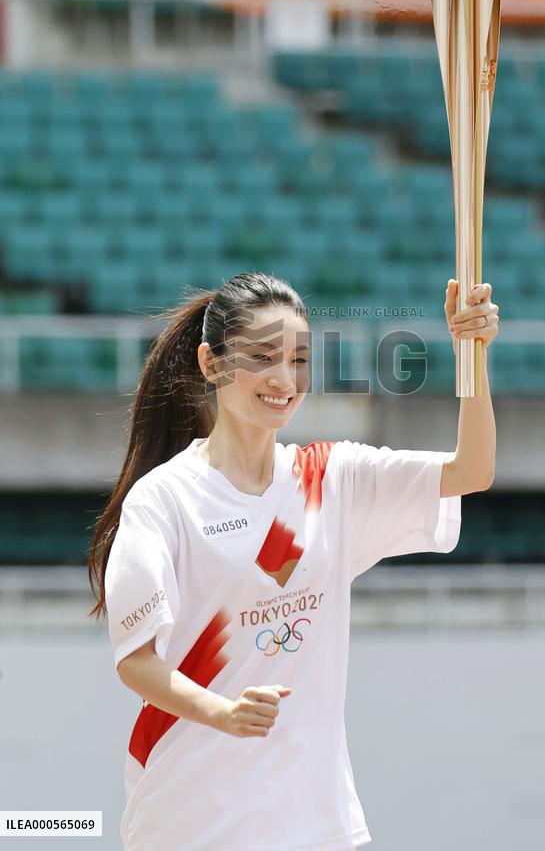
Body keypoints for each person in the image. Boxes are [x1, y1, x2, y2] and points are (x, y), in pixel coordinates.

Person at [87, 271, 498, 851]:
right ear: (211, 363)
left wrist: (471, 352)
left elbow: (471, 470)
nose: (284, 379)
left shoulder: (330, 479)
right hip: (192, 822)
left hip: (316, 824)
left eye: (299, 360)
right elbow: (137, 662)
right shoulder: (164, 500)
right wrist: (224, 712)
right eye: (262, 358)